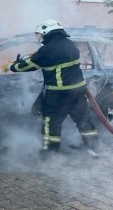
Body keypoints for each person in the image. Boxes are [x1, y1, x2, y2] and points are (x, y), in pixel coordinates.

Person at [6, 19, 101, 157]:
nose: (39, 37)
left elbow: (29, 65)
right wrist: (37, 55)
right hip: (78, 91)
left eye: (40, 34)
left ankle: (50, 152)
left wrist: (11, 66)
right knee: (83, 119)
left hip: (58, 93)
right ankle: (93, 147)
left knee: (51, 121)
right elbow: (52, 57)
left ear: (47, 32)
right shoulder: (69, 44)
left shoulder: (47, 49)